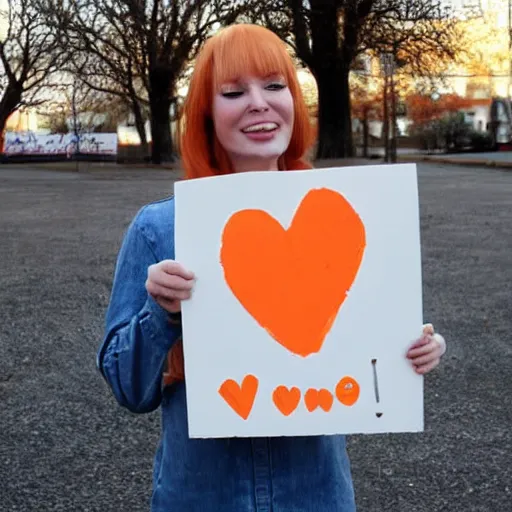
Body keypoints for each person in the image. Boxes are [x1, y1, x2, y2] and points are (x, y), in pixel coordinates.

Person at [97, 23, 447, 512]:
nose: (258, 103)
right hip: (200, 497)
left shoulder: (348, 215)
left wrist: (415, 349)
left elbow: (371, 334)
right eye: (234, 92)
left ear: (294, 101)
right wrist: (161, 314)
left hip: (316, 495)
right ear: (206, 114)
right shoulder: (160, 229)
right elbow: (128, 389)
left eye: (275, 85)